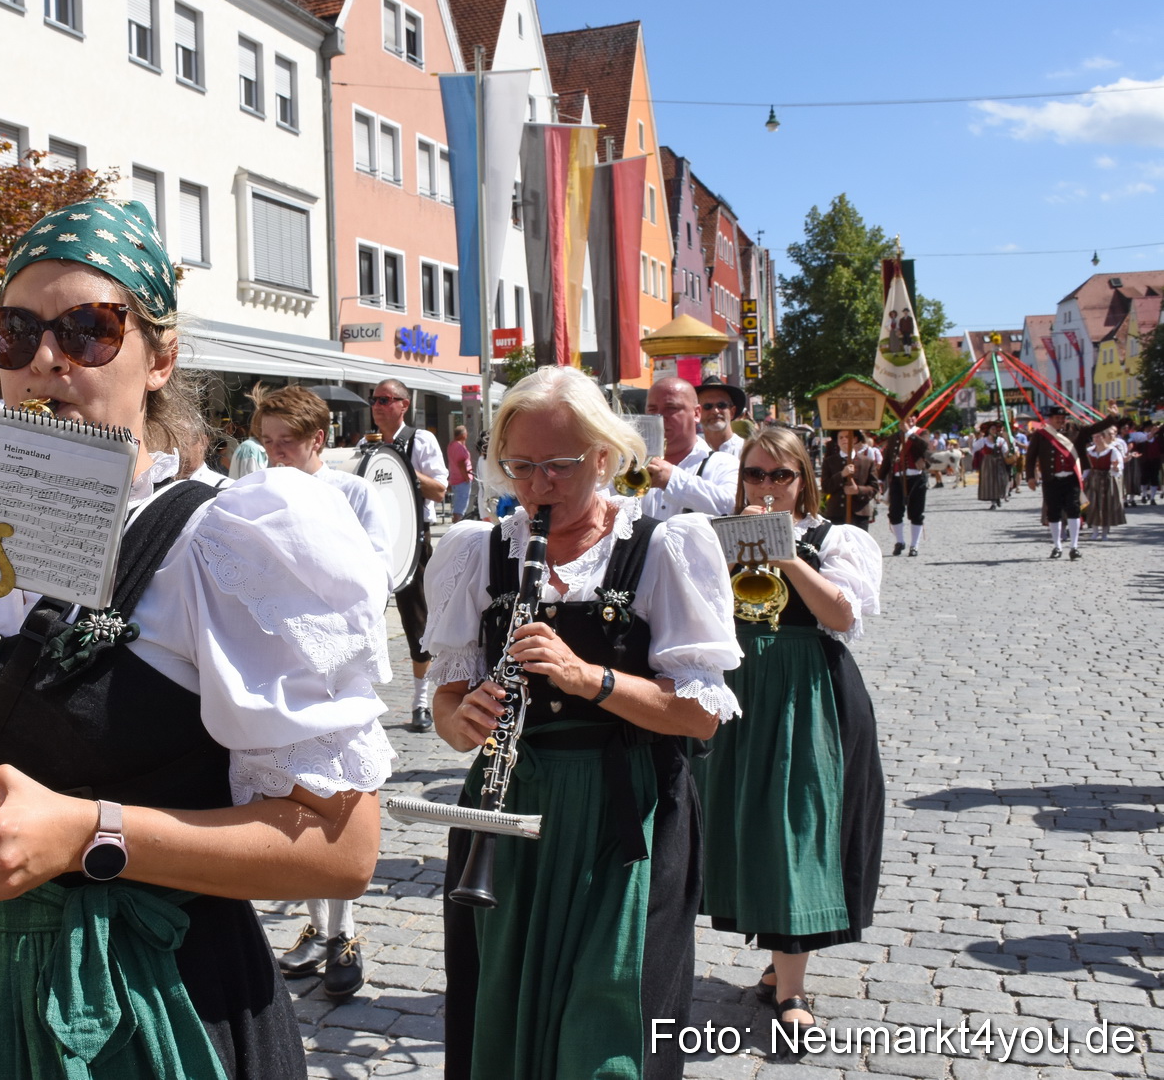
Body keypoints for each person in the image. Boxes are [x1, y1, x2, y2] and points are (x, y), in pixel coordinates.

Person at [0, 198, 392, 1079]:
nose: (44, 362)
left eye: (88, 331)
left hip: (148, 1011)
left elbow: (344, 848)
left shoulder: (226, 539)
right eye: (14, 332)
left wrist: (84, 832)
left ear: (161, 357)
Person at [424, 365, 739, 1080]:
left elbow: (700, 716)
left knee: (608, 1032)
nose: (539, 486)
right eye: (522, 466)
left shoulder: (664, 546)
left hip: (625, 809)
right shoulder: (478, 550)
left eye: (560, 466)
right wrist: (462, 716)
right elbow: (445, 706)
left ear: (605, 455)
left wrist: (587, 678)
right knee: (501, 1013)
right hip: (508, 811)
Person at [695, 428, 885, 1056]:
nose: (768, 487)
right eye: (756, 474)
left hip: (808, 694)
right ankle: (780, 962)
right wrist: (729, 552)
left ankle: (791, 992)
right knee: (740, 824)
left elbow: (842, 616)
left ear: (804, 478)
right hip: (736, 690)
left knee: (793, 826)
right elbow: (688, 608)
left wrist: (784, 554)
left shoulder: (836, 539)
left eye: (782, 476)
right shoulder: (712, 533)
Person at [252, 385, 393, 1002]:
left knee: (337, 797)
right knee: (294, 796)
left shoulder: (355, 492)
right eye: (267, 442)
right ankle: (319, 925)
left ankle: (347, 932)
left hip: (335, 666)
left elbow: (376, 574)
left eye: (287, 442)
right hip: (280, 661)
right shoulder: (260, 488)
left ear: (318, 440)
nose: (275, 453)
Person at [365, 378, 448, 731]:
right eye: (375, 399)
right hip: (374, 540)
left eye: (386, 399)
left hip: (413, 539)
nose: (379, 405)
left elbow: (441, 489)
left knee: (416, 621)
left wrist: (400, 467)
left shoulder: (420, 439)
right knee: (364, 617)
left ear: (404, 404)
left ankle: (420, 701)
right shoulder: (365, 444)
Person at [642, 375, 737, 520]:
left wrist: (671, 479)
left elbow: (731, 507)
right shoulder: (631, 463)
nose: (660, 416)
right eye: (652, 409)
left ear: (697, 413)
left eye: (671, 408)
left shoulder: (724, 463)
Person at [1026, 405, 1084, 560]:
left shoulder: (1074, 432)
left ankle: (1074, 547)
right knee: (1054, 513)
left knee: (1074, 510)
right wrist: (1030, 476)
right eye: (1057, 418)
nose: (1061, 421)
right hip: (1051, 480)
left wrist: (1113, 418)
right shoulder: (1041, 435)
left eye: (1063, 418)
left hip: (1071, 479)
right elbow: (1030, 457)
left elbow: (1096, 428)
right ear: (1050, 419)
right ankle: (1057, 546)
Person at [882, 413, 931, 558]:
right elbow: (887, 459)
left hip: (916, 477)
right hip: (897, 478)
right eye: (907, 416)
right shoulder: (893, 437)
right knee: (895, 512)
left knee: (916, 513)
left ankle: (914, 545)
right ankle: (900, 541)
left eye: (912, 417)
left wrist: (909, 432)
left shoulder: (922, 433)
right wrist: (880, 478)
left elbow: (924, 447)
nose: (910, 419)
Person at [820, 429, 875, 530]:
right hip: (836, 513)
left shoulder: (867, 462)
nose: (844, 440)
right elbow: (825, 487)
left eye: (847, 437)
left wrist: (858, 490)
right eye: (841, 437)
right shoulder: (829, 462)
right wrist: (841, 475)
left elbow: (874, 488)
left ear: (855, 439)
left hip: (859, 514)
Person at [1084, 427, 1125, 540]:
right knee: (1093, 506)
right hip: (1092, 480)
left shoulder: (1112, 450)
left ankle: (1104, 533)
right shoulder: (1090, 451)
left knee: (1105, 506)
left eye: (1098, 437)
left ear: (1104, 437)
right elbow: (1086, 468)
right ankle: (1095, 531)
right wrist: (1083, 479)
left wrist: (1115, 467)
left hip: (1107, 480)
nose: (1095, 439)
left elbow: (1118, 467)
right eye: (1094, 437)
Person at [697, 374, 747, 458]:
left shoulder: (747, 451)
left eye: (721, 405)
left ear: (732, 412)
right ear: (697, 413)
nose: (715, 411)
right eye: (707, 406)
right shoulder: (693, 453)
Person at [974, 423, 1010, 510]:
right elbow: (974, 449)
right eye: (992, 429)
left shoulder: (1001, 440)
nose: (994, 431)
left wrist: (1009, 444)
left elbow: (1005, 452)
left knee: (1001, 480)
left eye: (995, 429)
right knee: (990, 482)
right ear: (988, 431)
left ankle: (998, 497)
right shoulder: (983, 440)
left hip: (999, 462)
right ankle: (993, 502)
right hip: (988, 463)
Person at [447, 424, 474, 522]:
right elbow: (461, 463)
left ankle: (456, 521)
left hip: (454, 479)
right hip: (462, 480)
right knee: (461, 505)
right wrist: (466, 477)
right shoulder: (459, 447)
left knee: (457, 504)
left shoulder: (451, 445)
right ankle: (457, 522)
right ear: (463, 434)